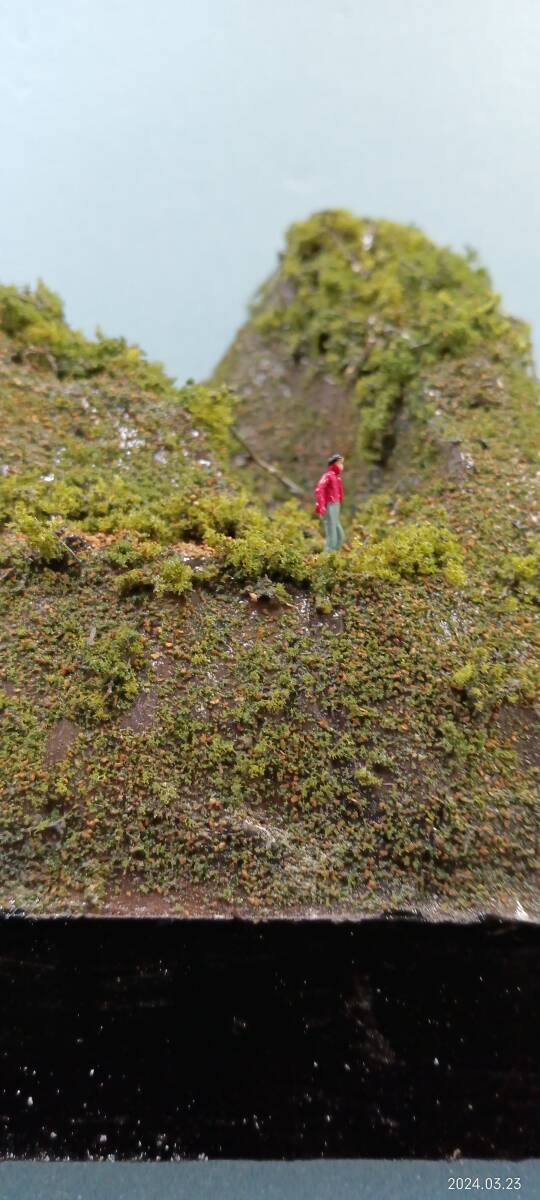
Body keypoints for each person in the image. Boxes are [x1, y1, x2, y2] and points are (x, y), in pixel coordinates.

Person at [315, 454, 346, 552]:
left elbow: (340, 493)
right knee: (332, 535)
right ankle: (327, 556)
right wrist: (321, 506)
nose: (341, 466)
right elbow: (319, 489)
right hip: (329, 506)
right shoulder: (327, 476)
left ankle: (334, 556)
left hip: (336, 505)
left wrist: (340, 499)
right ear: (333, 464)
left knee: (340, 535)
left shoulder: (337, 479)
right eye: (340, 463)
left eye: (342, 463)